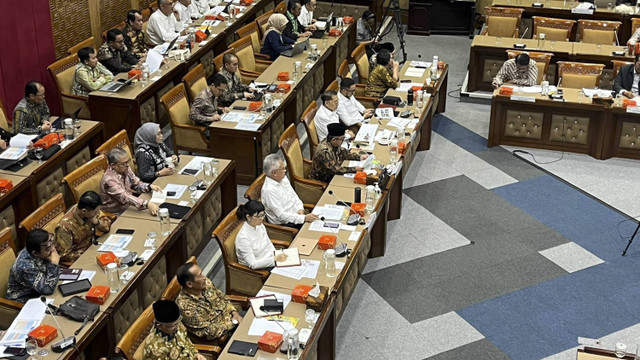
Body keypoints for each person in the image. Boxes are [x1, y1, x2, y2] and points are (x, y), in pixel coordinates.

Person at [175, 262, 243, 343]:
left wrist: (235, 313)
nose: (204, 277)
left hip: (233, 319)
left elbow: (223, 298)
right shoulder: (185, 306)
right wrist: (233, 323)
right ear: (189, 284)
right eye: (200, 275)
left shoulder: (206, 283)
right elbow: (207, 331)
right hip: (223, 336)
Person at [261, 154, 318, 229]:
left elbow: (294, 196)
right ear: (274, 173)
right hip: (286, 224)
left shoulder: (282, 178)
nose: (285, 170)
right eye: (282, 168)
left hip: (298, 215)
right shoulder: (269, 191)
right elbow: (281, 216)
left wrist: (300, 208)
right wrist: (303, 218)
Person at [55, 191, 113, 264]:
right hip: (81, 258)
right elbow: (64, 255)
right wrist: (87, 257)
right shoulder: (65, 227)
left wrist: (97, 223)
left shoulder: (91, 211)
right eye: (95, 213)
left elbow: (107, 226)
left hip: (94, 247)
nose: (97, 214)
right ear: (84, 211)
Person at [100, 147, 162, 215]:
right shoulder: (109, 180)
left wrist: (149, 186)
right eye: (123, 164)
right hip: (117, 213)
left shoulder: (125, 168)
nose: (127, 165)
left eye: (128, 161)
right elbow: (124, 196)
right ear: (113, 165)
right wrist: (147, 204)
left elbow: (136, 184)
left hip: (130, 205)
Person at [6, 229, 60, 303]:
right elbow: (48, 289)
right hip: (24, 301)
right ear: (35, 253)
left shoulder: (38, 247)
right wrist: (54, 264)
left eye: (51, 244)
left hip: (39, 291)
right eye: (48, 249)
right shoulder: (25, 266)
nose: (52, 249)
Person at [235, 200, 286, 270]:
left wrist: (276, 255)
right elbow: (253, 264)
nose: (262, 219)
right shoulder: (243, 238)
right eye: (259, 216)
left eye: (263, 215)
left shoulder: (260, 225)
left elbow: (268, 244)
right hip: (259, 269)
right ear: (248, 217)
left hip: (271, 261)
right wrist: (274, 260)